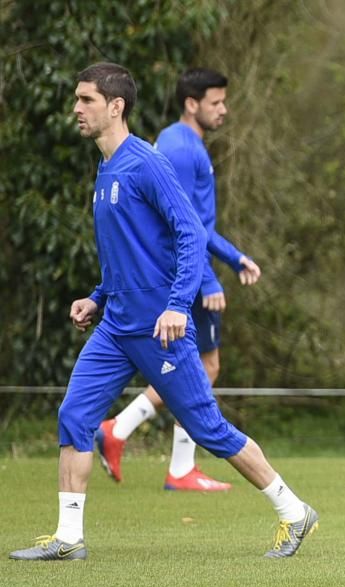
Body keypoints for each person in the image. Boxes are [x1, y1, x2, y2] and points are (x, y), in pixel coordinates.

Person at [10, 62, 317, 561]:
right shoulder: (106, 167)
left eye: (85, 100)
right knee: (74, 415)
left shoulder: (145, 163)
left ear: (116, 107)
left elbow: (190, 234)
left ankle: (294, 512)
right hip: (115, 326)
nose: (76, 109)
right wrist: (98, 296)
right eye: (76, 99)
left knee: (209, 430)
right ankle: (68, 538)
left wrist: (178, 306)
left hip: (161, 329)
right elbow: (125, 252)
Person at [94, 67, 260, 492]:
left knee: (200, 366)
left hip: (177, 281)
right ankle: (168, 460)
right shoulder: (182, 151)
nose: (224, 110)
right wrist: (205, 280)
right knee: (202, 366)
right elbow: (182, 227)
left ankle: (141, 443)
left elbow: (199, 224)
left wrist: (235, 256)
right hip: (179, 284)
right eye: (216, 102)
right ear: (192, 104)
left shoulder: (179, 143)